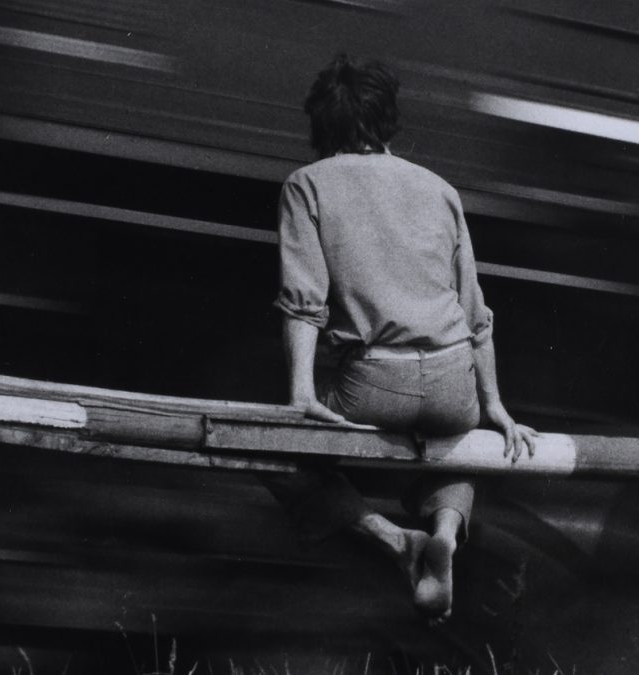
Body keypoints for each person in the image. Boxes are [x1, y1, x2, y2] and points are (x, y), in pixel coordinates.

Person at [265, 53, 537, 621]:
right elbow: (474, 312)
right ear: (389, 119)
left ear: (322, 125)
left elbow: (303, 302)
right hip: (454, 380)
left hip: (375, 382)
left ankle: (395, 540)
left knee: (271, 450)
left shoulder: (307, 185)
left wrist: (301, 396)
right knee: (454, 450)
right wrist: (494, 406)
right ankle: (444, 531)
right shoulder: (439, 189)